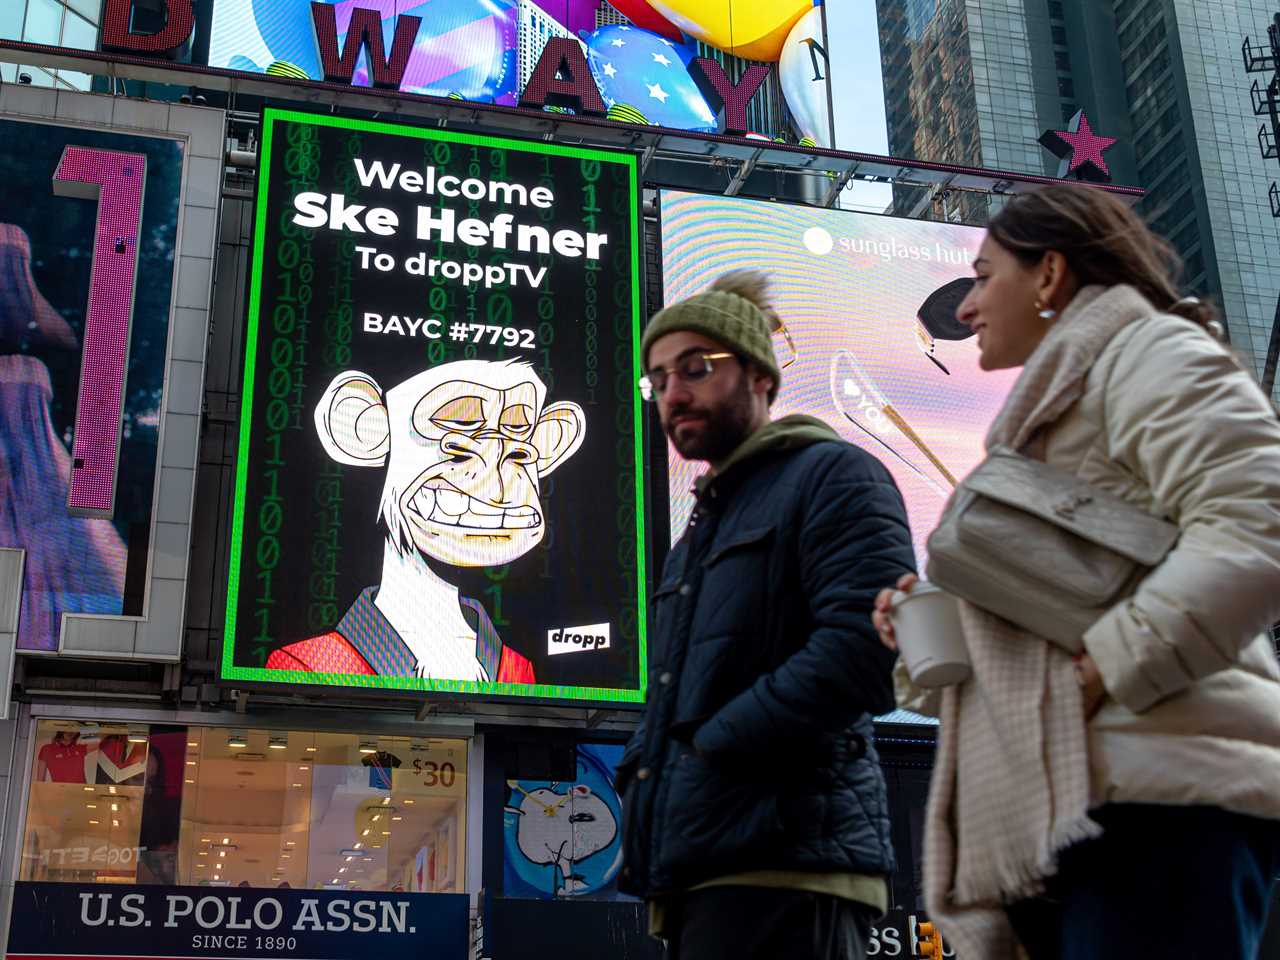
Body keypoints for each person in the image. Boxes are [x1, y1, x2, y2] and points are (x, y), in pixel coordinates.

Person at [873, 184, 1280, 959]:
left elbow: (1259, 524)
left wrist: (1104, 670)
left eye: (984, 276)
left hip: (1162, 802)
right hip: (1073, 811)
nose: (963, 308)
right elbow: (1069, 606)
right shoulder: (1053, 412)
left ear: (1050, 275)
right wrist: (928, 638)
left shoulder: (1154, 352)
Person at [618, 270, 917, 959]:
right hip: (702, 865)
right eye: (658, 380)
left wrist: (708, 750)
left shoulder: (835, 475)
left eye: (695, 368)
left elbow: (862, 653)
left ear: (759, 374)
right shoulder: (697, 536)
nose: (673, 394)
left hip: (788, 863)